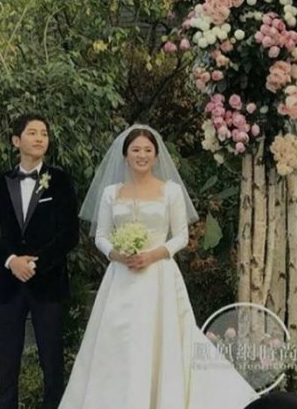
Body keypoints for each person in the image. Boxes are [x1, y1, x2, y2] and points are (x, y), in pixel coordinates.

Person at [59, 124, 257, 409]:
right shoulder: (111, 193)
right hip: (121, 277)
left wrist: (152, 255)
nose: (142, 155)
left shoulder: (171, 191)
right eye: (135, 150)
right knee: (119, 340)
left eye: (147, 150)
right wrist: (117, 254)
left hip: (159, 276)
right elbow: (101, 236)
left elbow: (181, 237)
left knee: (161, 339)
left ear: (156, 155)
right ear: (125, 155)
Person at [0, 113, 79, 409]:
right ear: (16, 140)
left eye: (44, 133)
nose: (39, 138)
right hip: (8, 285)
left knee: (52, 360)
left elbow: (69, 234)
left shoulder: (60, 181)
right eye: (32, 133)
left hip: (48, 283)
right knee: (7, 361)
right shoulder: (0, 183)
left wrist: (35, 263)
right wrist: (11, 260)